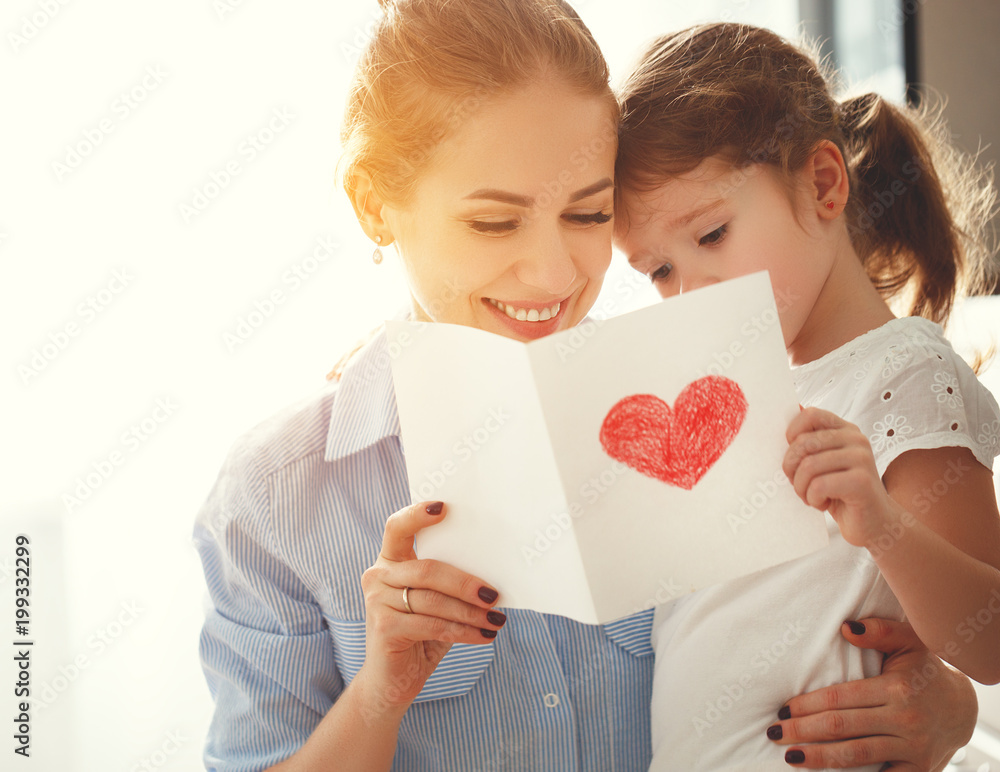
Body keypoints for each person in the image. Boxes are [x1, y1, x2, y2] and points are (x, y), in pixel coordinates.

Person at [194, 3, 982, 770]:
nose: (554, 274)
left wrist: (945, 706)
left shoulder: (718, 403)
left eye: (587, 214)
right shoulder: (277, 497)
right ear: (375, 206)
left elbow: (842, 617)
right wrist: (380, 692)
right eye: (495, 223)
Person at [613, 21, 1000, 771]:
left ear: (823, 183)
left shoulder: (905, 374)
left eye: (714, 234)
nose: (690, 291)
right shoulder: (732, 396)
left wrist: (883, 525)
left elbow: (989, 643)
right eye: (658, 271)